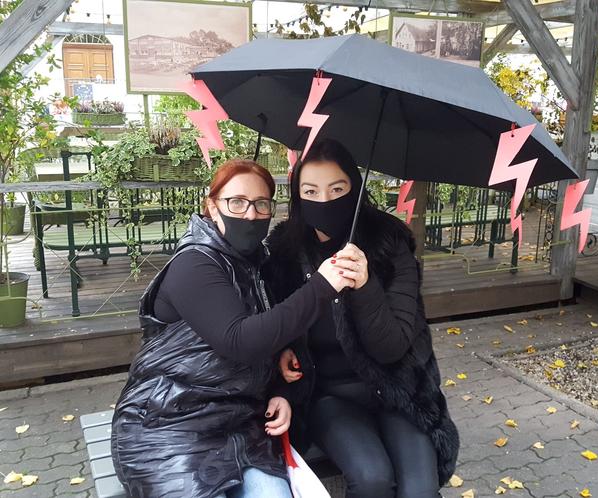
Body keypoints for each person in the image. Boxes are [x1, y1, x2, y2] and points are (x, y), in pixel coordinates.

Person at [111, 159, 354, 498]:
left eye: (261, 204)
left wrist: (281, 390)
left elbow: (271, 330)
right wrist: (323, 285)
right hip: (168, 426)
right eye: (236, 203)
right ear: (212, 206)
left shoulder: (259, 263)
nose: (250, 215)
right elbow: (239, 341)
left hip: (242, 423)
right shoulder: (194, 263)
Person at [265, 139, 460, 498]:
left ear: (355, 190)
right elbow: (275, 321)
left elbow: (391, 348)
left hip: (397, 390)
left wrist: (366, 285)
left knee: (420, 489)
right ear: (297, 195)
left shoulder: (390, 243)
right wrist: (284, 349)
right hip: (328, 396)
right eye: (311, 190)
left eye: (336, 189)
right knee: (372, 478)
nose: (323, 201)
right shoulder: (285, 252)